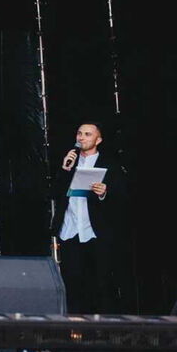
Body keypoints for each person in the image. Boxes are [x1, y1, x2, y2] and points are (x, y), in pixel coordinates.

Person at [52, 122, 126, 313]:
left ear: (98, 140)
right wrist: (64, 170)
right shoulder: (69, 162)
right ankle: (74, 325)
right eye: (79, 133)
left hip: (95, 232)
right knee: (73, 284)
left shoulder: (109, 164)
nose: (82, 137)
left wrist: (104, 193)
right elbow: (53, 193)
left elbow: (121, 196)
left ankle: (103, 326)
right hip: (70, 231)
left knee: (100, 284)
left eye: (87, 134)